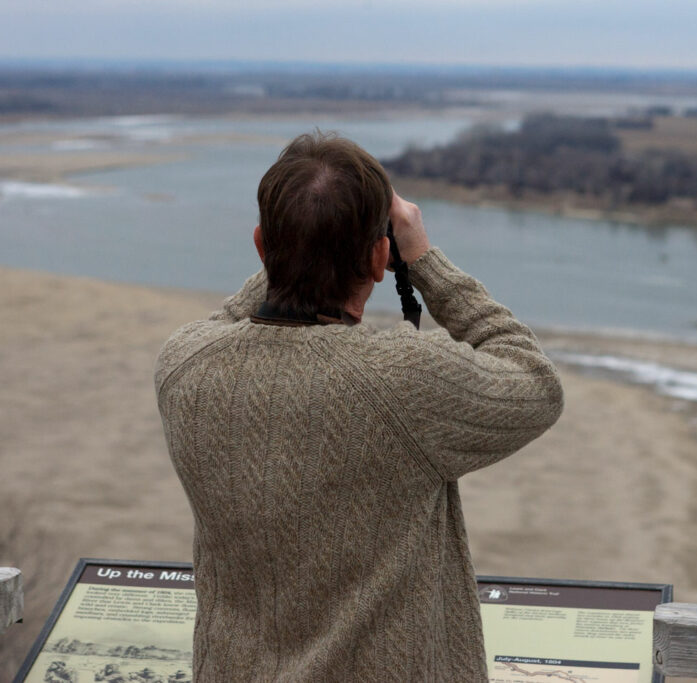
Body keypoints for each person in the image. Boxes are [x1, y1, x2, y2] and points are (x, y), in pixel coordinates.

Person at [155, 131, 563, 681]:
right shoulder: (402, 377)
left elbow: (229, 321)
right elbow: (534, 381)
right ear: (379, 258)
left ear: (259, 245)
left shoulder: (184, 366)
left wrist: (293, 250)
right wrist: (423, 259)